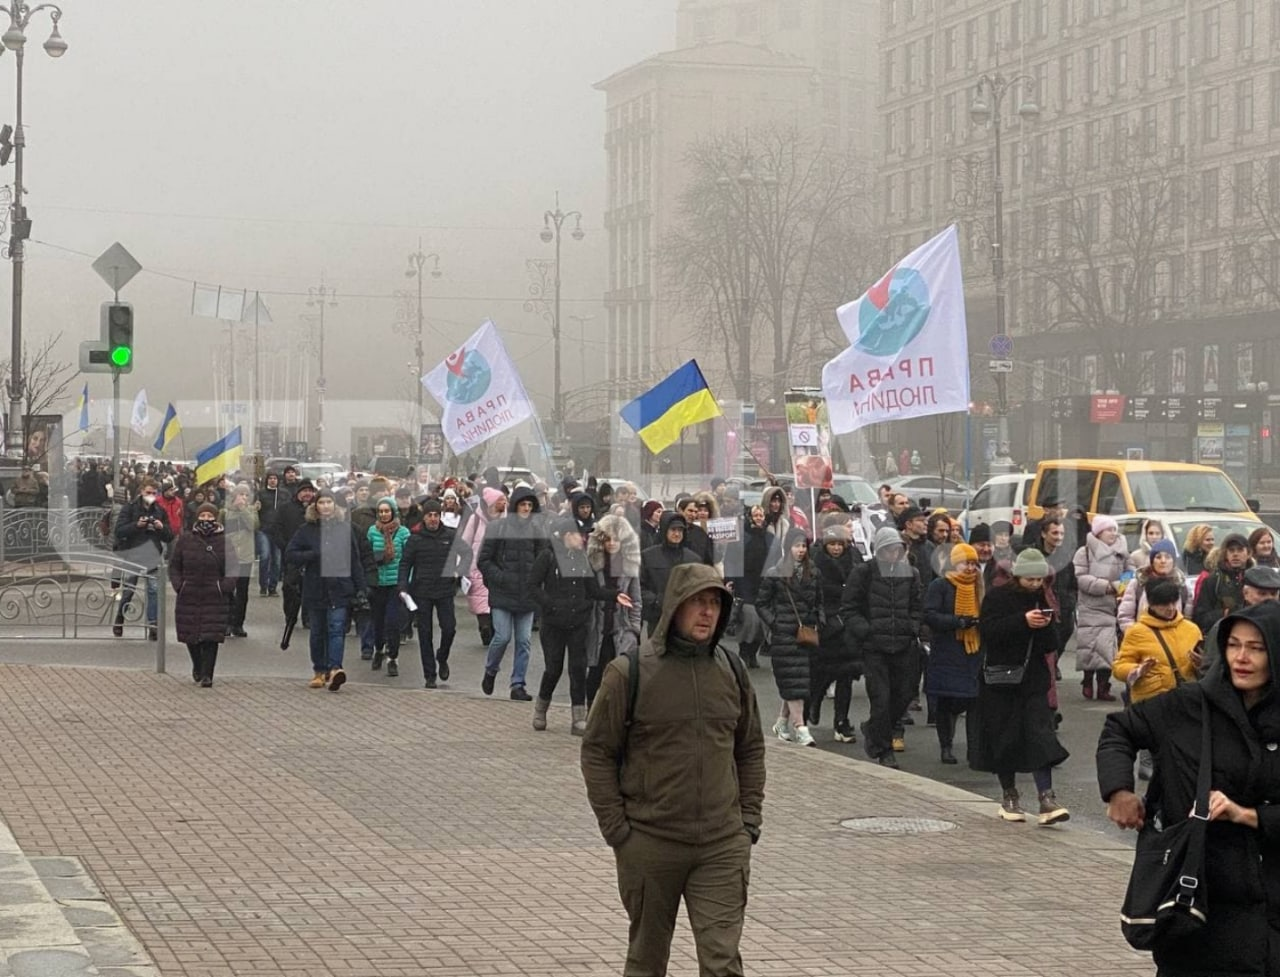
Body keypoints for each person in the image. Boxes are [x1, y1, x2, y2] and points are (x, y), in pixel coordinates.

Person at [580, 562, 765, 977]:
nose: (707, 612)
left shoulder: (731, 671)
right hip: (650, 841)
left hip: (721, 843)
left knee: (722, 961)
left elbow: (750, 748)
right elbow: (597, 753)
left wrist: (747, 821)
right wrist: (618, 831)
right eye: (697, 602)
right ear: (674, 607)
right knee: (647, 959)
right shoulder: (629, 673)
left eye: (715, 603)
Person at [1097, 601, 1280, 977]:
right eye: (1234, 645)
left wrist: (1248, 815)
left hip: (1270, 906)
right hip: (1198, 901)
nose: (1242, 658)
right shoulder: (1190, 706)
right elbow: (1120, 729)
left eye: (1257, 648)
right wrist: (1118, 790)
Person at [970, 548, 1070, 825]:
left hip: (1033, 679)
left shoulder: (1042, 598)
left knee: (1041, 736)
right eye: (1030, 580)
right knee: (1005, 739)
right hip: (1000, 680)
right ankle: (1009, 795)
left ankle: (1046, 797)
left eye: (1040, 580)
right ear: (1018, 577)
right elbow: (989, 632)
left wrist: (1045, 625)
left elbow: (1051, 644)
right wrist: (1022, 622)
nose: (1035, 585)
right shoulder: (997, 597)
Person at [531, 516, 633, 733]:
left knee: (578, 670)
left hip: (578, 624)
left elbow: (593, 590)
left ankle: (578, 719)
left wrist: (616, 595)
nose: (583, 539)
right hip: (553, 625)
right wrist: (550, 605)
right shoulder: (548, 556)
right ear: (568, 536)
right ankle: (541, 709)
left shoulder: (581, 559)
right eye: (580, 535)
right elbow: (532, 586)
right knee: (553, 669)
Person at [841, 526, 923, 768]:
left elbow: (917, 606)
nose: (893, 554)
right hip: (875, 648)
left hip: (903, 645)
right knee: (881, 699)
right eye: (888, 550)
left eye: (897, 549)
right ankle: (883, 748)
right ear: (879, 550)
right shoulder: (863, 572)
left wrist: (913, 628)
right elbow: (850, 608)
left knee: (903, 696)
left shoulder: (912, 574)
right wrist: (866, 631)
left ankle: (874, 730)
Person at [284, 488, 366, 691]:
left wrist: (361, 589)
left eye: (329, 502)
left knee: (336, 629)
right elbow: (291, 553)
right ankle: (319, 670)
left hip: (340, 587)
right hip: (315, 587)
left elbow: (355, 561)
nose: (326, 506)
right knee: (318, 631)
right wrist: (312, 554)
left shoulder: (345, 529)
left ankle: (335, 668)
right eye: (322, 503)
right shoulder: (306, 530)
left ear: (335, 506)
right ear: (316, 506)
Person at [478, 485, 547, 701]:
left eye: (529, 505)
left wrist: (538, 584)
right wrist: (501, 577)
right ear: (515, 505)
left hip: (527, 595)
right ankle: (491, 670)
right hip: (503, 593)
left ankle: (518, 684)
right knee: (502, 637)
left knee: (524, 641)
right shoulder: (498, 528)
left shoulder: (537, 531)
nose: (526, 508)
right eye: (522, 504)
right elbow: (484, 561)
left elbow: (543, 560)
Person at [756, 528, 822, 747]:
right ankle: (800, 727)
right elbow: (762, 603)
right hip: (784, 636)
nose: (801, 550)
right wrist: (775, 623)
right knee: (793, 681)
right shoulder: (775, 573)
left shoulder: (813, 572)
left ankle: (782, 722)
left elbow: (820, 601)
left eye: (804, 546)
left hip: (806, 635)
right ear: (787, 547)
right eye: (796, 545)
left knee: (797, 681)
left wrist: (818, 619)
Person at [398, 498, 470, 689]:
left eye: (436, 515)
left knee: (449, 628)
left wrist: (458, 571)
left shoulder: (450, 535)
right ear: (424, 518)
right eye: (429, 515)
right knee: (425, 633)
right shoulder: (415, 538)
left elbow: (467, 553)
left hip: (445, 589)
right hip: (422, 591)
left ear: (440, 516)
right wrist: (403, 587)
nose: (433, 519)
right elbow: (405, 564)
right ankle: (429, 674)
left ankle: (442, 656)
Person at [924, 543, 985, 765]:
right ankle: (946, 746)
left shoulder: (980, 586)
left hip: (973, 652)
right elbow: (930, 615)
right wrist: (958, 622)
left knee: (975, 702)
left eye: (973, 563)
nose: (970, 568)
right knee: (947, 702)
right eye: (966, 563)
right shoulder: (940, 585)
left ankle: (975, 750)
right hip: (947, 651)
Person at [808, 523, 863, 743]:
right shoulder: (815, 564)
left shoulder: (855, 560)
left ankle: (842, 720)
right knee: (822, 674)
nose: (837, 548)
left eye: (840, 544)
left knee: (846, 677)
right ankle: (815, 701)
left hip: (848, 626)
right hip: (826, 626)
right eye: (832, 544)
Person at [169, 502, 233, 688]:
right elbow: (175, 566)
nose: (206, 520)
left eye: (210, 516)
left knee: (210, 636)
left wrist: (225, 587)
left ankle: (207, 674)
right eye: (203, 516)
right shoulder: (186, 540)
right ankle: (197, 665)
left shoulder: (224, 541)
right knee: (191, 635)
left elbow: (233, 567)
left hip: (214, 595)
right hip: (190, 593)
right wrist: (179, 585)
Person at [585, 514, 643, 718]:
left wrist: (635, 628)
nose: (612, 543)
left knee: (621, 673)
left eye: (616, 539)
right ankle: (591, 713)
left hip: (622, 625)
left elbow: (636, 599)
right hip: (597, 624)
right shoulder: (592, 563)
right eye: (607, 539)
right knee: (595, 669)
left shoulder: (630, 565)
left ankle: (617, 716)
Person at [1073, 514, 1130, 701]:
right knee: (1090, 646)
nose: (1113, 533)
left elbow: (1129, 573)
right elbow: (1081, 577)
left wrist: (1122, 587)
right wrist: (1105, 586)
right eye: (1109, 529)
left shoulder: (1122, 551)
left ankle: (1104, 686)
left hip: (1113, 605)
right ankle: (1088, 681)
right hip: (1091, 605)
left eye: (1115, 529)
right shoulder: (1084, 552)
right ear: (1098, 533)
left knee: (1108, 648)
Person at [113, 478, 173, 641]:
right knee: (128, 590)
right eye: (148, 493)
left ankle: (153, 625)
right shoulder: (130, 508)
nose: (151, 496)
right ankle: (120, 618)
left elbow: (169, 535)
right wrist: (136, 525)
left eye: (154, 493)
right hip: (133, 555)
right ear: (141, 492)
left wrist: (161, 528)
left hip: (152, 556)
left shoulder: (159, 510)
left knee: (153, 591)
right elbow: (119, 531)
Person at [367, 497, 411, 677]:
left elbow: (409, 559)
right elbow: (367, 556)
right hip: (377, 583)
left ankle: (392, 658)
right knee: (377, 622)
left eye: (387, 511)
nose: (384, 514)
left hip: (395, 584)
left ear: (393, 512)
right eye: (381, 511)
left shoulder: (403, 533)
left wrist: (407, 582)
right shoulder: (372, 532)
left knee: (392, 622)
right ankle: (378, 649)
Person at [639, 512, 701, 635]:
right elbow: (640, 586)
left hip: (685, 615)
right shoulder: (649, 556)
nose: (677, 534)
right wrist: (656, 600)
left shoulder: (693, 558)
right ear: (664, 530)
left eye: (680, 530)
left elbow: (699, 586)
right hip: (658, 617)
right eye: (673, 530)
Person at [460, 487, 503, 648]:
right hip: (476, 566)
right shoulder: (475, 519)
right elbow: (465, 542)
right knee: (480, 600)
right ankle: (484, 627)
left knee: (495, 600)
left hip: (499, 566)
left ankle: (494, 628)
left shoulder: (506, 520)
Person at [1118, 538, 1187, 633]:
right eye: (1158, 557)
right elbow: (1125, 616)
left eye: (1167, 557)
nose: (1163, 561)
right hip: (1143, 640)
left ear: (1174, 560)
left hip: (1174, 641)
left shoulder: (1182, 585)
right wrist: (1135, 634)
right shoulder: (1138, 584)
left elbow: (1188, 618)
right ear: (1152, 561)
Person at [1193, 534, 1255, 634]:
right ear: (1225, 554)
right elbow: (1200, 618)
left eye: (1240, 550)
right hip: (1222, 634)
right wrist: (1225, 613)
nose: (1235, 554)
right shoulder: (1213, 580)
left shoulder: (1256, 579)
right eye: (1231, 550)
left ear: (1248, 553)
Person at [219, 483, 258, 638]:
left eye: (246, 495)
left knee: (243, 592)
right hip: (229, 556)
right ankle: (227, 622)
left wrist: (243, 510)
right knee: (228, 590)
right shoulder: (225, 512)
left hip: (245, 557)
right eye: (241, 494)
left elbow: (254, 525)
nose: (244, 498)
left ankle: (238, 624)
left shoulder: (251, 511)